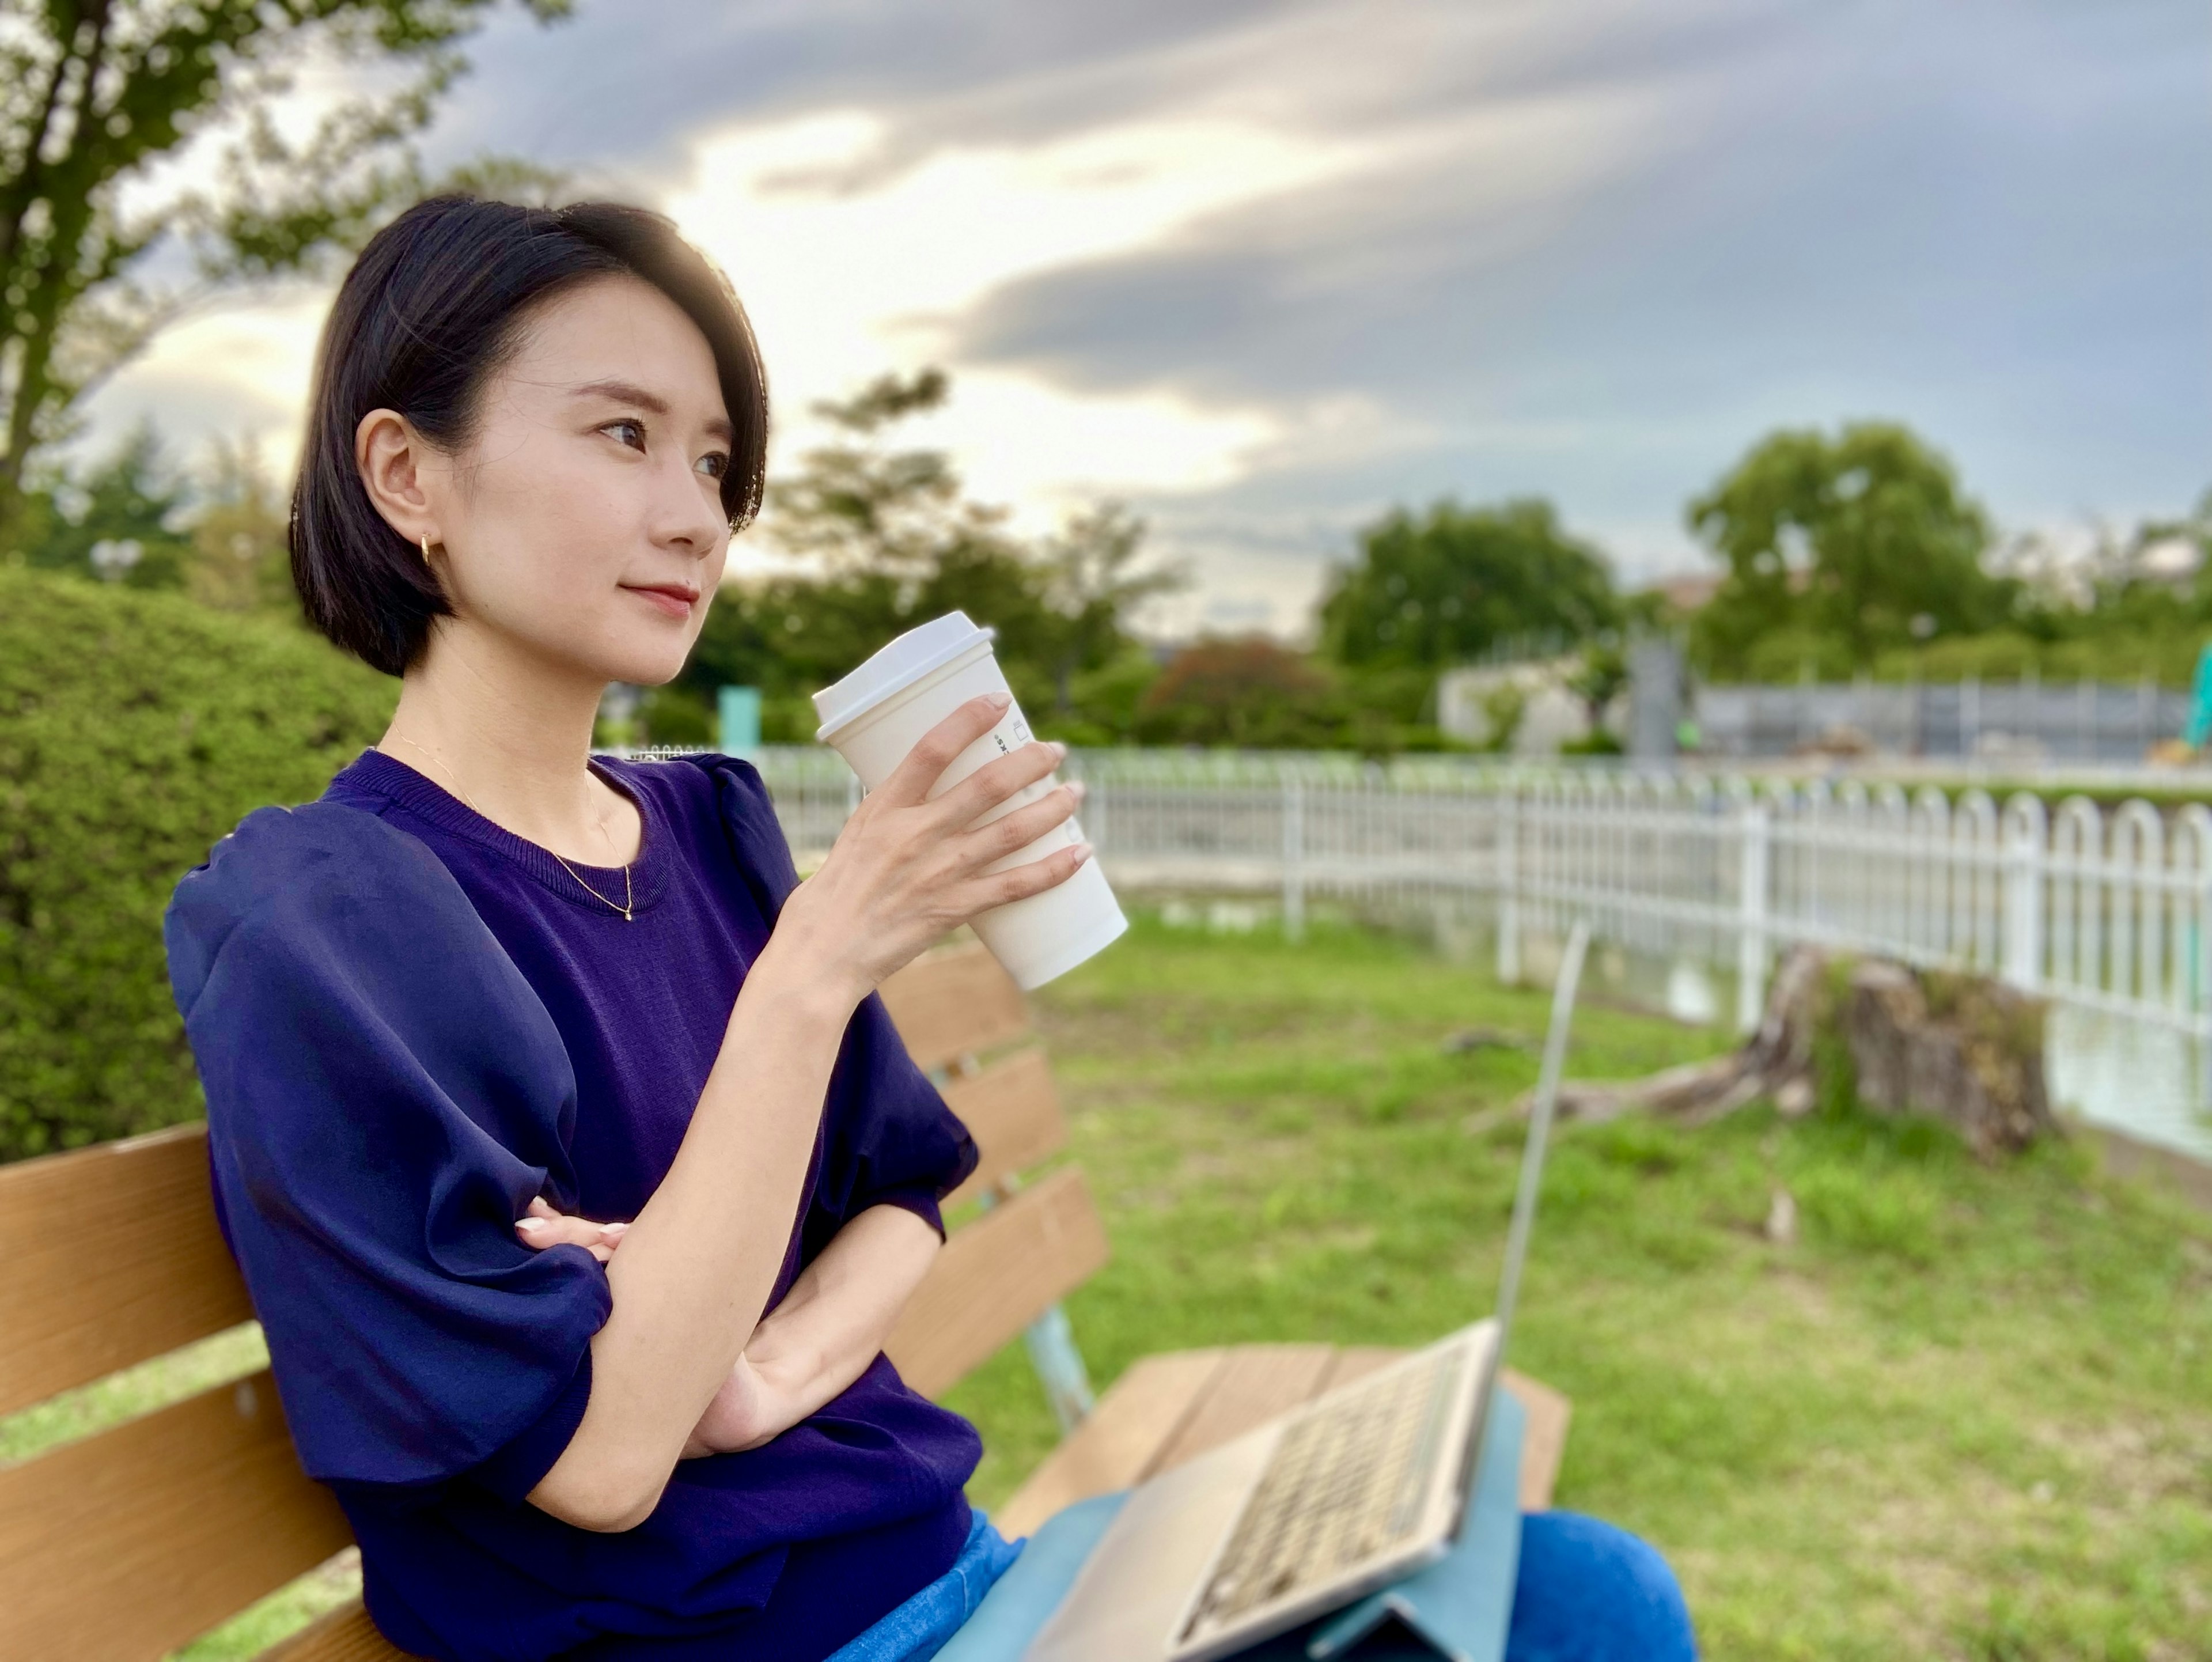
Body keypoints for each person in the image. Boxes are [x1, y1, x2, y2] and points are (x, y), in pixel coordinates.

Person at [165, 195, 1695, 1662]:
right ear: (407, 475)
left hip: (975, 1585)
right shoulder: (327, 930)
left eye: (716, 465)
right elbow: (608, 1454)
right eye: (624, 435)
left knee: (1579, 1595)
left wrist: (760, 1373)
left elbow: (899, 1196)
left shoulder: (703, 828)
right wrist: (816, 972)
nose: (694, 517)